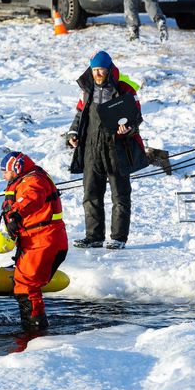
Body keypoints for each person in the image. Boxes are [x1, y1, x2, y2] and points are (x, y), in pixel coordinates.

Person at [67, 51, 149, 250]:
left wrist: (128, 128)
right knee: (91, 195)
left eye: (101, 69)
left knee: (120, 196)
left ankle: (119, 238)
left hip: (117, 150)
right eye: (94, 69)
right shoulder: (87, 90)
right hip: (91, 150)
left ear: (109, 69)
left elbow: (136, 117)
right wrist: (72, 133)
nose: (97, 73)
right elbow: (80, 115)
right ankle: (94, 237)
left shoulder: (124, 89)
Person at [0, 151, 68, 331]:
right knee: (25, 283)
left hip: (43, 240)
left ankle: (34, 331)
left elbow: (32, 198)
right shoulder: (28, 178)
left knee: (26, 285)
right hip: (37, 240)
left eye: (4, 171)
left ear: (16, 167)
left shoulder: (33, 181)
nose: (3, 176)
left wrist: (15, 214)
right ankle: (33, 326)